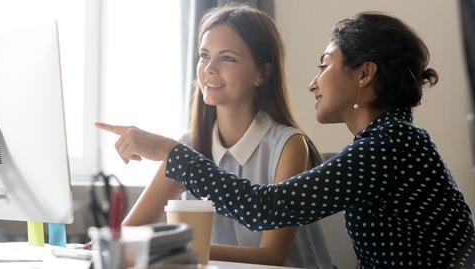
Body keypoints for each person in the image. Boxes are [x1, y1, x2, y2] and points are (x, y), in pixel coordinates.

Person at [97, 11, 475, 268]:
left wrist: (169, 152)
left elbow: (266, 208)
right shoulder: (387, 142)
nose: (314, 82)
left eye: (325, 65)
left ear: (364, 73)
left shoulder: (390, 145)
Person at [97, 4, 333, 268]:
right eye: (204, 55)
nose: (209, 68)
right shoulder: (190, 146)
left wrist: (177, 249)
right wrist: (97, 248)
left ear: (262, 73)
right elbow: (129, 232)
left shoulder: (288, 145)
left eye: (227, 58)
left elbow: (272, 255)